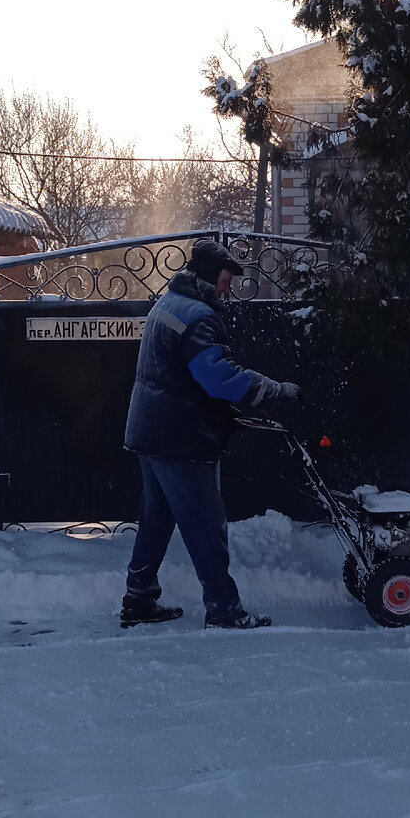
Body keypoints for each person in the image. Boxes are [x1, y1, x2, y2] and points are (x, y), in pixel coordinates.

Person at [120, 238, 300, 629]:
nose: (228, 288)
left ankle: (138, 598)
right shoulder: (199, 316)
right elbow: (216, 378)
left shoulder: (168, 304)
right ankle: (223, 609)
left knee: (156, 518)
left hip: (151, 431)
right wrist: (271, 390)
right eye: (224, 279)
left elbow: (183, 374)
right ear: (205, 277)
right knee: (206, 524)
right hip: (179, 438)